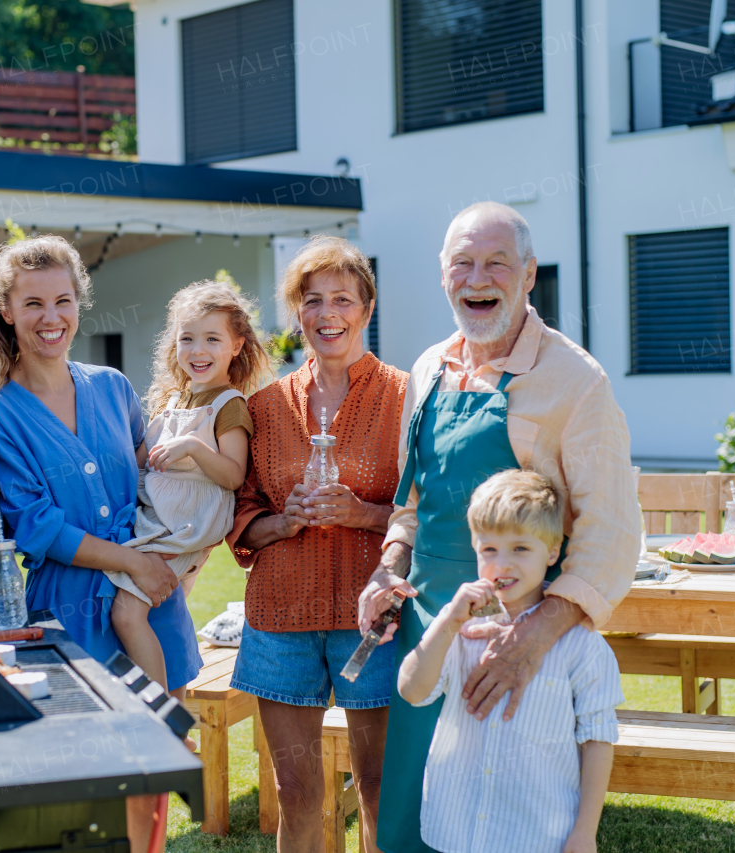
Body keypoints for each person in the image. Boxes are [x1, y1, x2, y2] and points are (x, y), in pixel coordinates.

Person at [357, 201, 641, 853]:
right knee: (410, 816)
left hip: (517, 651)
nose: (477, 277)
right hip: (429, 635)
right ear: (442, 275)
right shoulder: (427, 370)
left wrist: (531, 642)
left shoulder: (577, 381)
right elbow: (412, 499)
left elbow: (612, 533)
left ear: (529, 273)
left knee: (501, 821)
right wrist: (388, 566)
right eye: (463, 262)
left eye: (496, 263)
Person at [0, 235, 200, 849]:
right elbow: (34, 524)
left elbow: (156, 481)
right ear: (6, 310)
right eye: (33, 303)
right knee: (88, 788)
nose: (51, 318)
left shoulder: (112, 387)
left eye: (63, 300)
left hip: (149, 603)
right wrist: (134, 563)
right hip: (66, 612)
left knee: (155, 773)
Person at [227, 236, 408, 853]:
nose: (327, 314)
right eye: (312, 301)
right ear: (295, 312)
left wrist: (363, 513)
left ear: (367, 307)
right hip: (282, 619)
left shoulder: (408, 398)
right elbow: (239, 508)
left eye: (342, 299)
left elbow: (426, 509)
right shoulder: (264, 406)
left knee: (382, 786)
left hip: (377, 620)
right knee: (297, 792)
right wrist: (282, 522)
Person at [399, 470, 622, 853]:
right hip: (459, 827)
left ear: (552, 552)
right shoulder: (459, 625)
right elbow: (412, 689)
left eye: (521, 549)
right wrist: (448, 622)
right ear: (474, 547)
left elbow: (597, 739)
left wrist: (585, 832)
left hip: (539, 832)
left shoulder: (581, 644)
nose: (503, 564)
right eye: (489, 550)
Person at [110, 281, 272, 688]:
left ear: (236, 345)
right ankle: (164, 703)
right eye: (187, 338)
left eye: (212, 339)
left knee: (126, 614)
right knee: (150, 614)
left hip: (185, 528)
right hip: (158, 519)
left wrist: (194, 448)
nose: (198, 350)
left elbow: (233, 474)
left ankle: (162, 712)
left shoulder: (228, 404)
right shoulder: (175, 400)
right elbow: (144, 457)